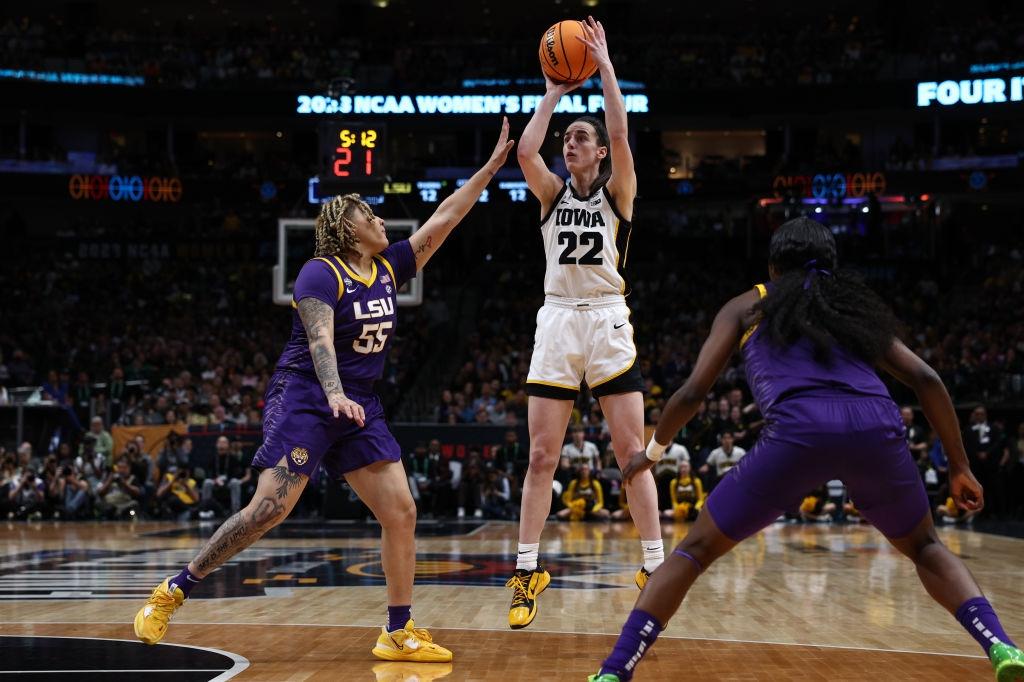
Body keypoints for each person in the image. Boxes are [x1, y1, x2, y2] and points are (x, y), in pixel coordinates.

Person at [134, 118, 514, 664]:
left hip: (360, 403)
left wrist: (491, 168)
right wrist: (334, 393)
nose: (380, 219)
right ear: (346, 227)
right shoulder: (319, 272)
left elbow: (447, 216)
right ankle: (173, 590)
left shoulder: (390, 266)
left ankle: (397, 631)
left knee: (402, 512)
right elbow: (319, 342)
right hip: (308, 395)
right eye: (370, 214)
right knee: (268, 508)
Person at [589, 218, 1024, 681]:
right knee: (924, 546)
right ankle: (1001, 645)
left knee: (694, 550)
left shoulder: (749, 305)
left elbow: (694, 392)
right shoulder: (850, 309)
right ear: (831, 266)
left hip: (799, 432)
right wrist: (959, 465)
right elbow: (926, 379)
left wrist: (652, 452)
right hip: (875, 426)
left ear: (773, 266)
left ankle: (616, 670)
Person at [508, 16, 663, 630]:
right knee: (542, 455)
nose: (569, 145)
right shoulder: (551, 195)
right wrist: (553, 89)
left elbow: (622, 134)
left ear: (598, 153)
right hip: (556, 322)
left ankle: (655, 564)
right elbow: (524, 151)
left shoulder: (616, 193)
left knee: (630, 454)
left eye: (579, 138)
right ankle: (527, 570)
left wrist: (602, 66)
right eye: (567, 139)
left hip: (606, 321)